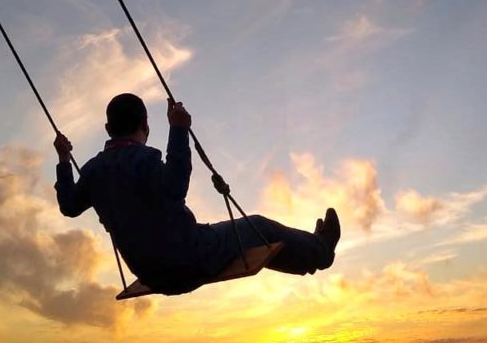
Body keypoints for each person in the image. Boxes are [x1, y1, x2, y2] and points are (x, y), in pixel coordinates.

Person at [53, 92, 340, 295]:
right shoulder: (143, 159)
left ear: (108, 129)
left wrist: (65, 160)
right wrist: (178, 130)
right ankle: (321, 251)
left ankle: (309, 251)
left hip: (148, 271)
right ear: (145, 125)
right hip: (188, 256)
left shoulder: (92, 171)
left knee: (256, 243)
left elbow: (69, 205)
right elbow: (175, 188)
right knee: (259, 227)